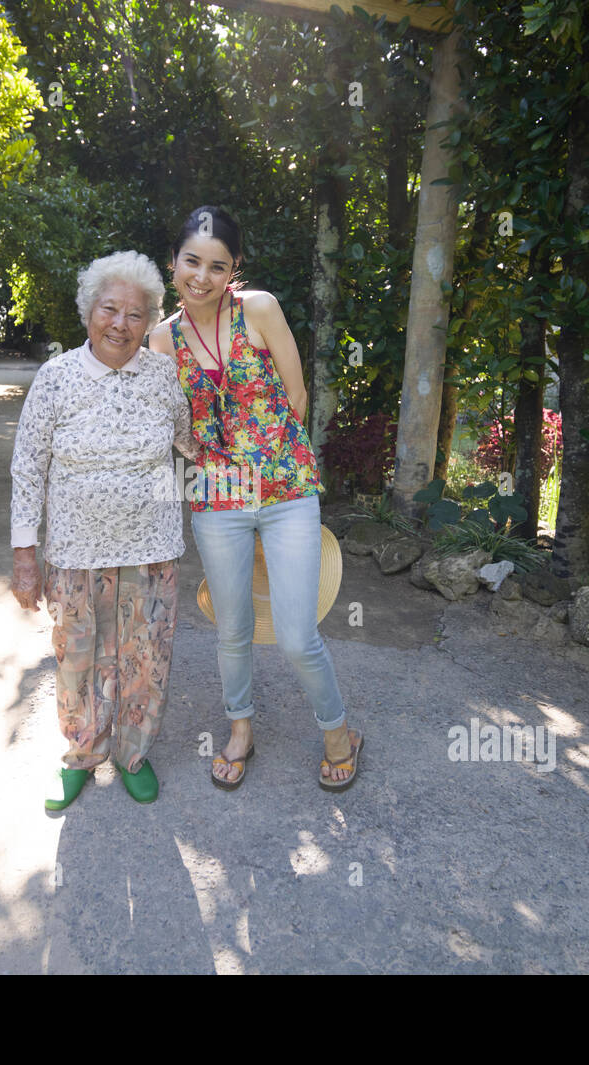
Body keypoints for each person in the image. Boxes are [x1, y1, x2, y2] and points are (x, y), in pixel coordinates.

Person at [149, 205, 363, 792]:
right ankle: (241, 729)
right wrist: (200, 456)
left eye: (217, 266)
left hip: (286, 490)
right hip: (216, 500)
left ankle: (338, 731)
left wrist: (266, 468)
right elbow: (172, 421)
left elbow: (296, 395)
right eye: (191, 261)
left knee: (298, 635)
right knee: (233, 629)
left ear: (233, 269)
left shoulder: (259, 309)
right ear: (173, 265)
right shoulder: (161, 339)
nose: (202, 276)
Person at [10, 250, 198, 810]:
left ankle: (133, 753)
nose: (120, 324)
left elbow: (188, 444)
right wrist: (26, 555)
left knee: (146, 656)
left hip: (153, 547)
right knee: (77, 656)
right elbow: (28, 466)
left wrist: (243, 485)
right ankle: (82, 754)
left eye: (135, 314)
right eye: (108, 310)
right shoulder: (56, 377)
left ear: (149, 321)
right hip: (74, 549)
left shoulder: (164, 375)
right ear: (88, 311)